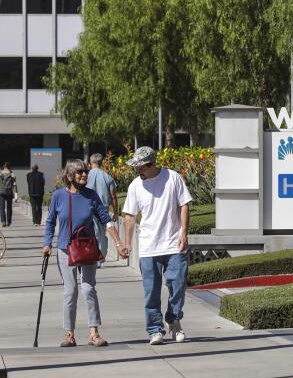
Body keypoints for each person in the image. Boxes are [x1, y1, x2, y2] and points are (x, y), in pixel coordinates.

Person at [42, 159, 127, 347]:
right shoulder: (58, 196)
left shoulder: (91, 195)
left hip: (87, 247)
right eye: (80, 172)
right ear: (70, 176)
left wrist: (119, 243)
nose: (84, 175)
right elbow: (50, 222)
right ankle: (69, 334)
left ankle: (94, 332)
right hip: (65, 249)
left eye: (86, 171)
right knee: (70, 291)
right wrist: (47, 244)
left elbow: (106, 219)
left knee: (88, 289)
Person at [122, 147, 192, 345]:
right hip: (148, 247)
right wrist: (127, 243)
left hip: (173, 244)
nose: (138, 171)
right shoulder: (135, 186)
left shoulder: (173, 178)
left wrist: (183, 234)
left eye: (141, 167)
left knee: (178, 284)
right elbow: (129, 215)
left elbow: (184, 205)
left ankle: (174, 319)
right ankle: (154, 330)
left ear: (152, 165)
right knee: (151, 291)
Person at [86, 153, 118, 266]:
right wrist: (116, 212)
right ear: (102, 162)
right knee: (102, 233)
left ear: (90, 162)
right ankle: (101, 257)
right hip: (103, 209)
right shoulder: (107, 177)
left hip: (88, 208)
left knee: (92, 233)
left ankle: (93, 257)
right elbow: (113, 196)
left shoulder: (86, 176)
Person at [0, 162, 18, 227]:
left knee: (1, 207)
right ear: (9, 167)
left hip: (1, 192)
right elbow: (14, 185)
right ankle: (8, 222)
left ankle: (3, 221)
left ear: (4, 167)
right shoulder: (12, 174)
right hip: (9, 192)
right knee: (9, 207)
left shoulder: (0, 173)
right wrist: (16, 195)